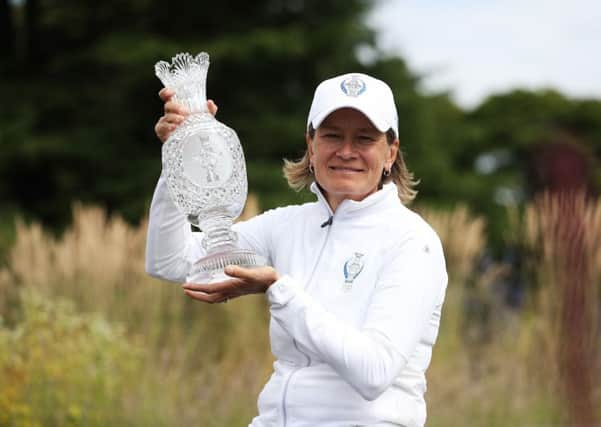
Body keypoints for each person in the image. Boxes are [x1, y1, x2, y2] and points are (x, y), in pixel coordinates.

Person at [146, 72, 448, 427]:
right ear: (311, 144)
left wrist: (279, 289)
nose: (346, 151)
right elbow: (170, 261)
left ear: (390, 153)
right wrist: (178, 156)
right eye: (332, 135)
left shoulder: (414, 241)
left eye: (364, 138)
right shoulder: (286, 225)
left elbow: (374, 371)